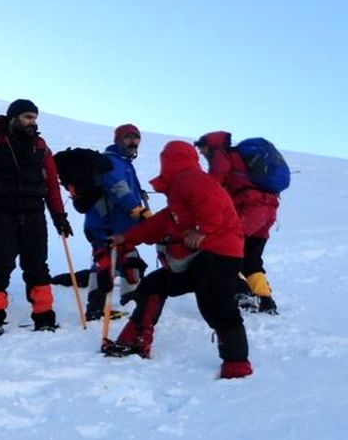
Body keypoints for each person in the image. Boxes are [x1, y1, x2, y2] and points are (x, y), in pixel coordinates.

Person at [103, 140, 253, 379]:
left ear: (170, 162)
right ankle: (136, 340)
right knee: (153, 285)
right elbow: (161, 222)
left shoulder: (194, 180)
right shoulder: (179, 191)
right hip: (199, 258)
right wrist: (125, 238)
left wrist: (202, 230)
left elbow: (211, 204)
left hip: (219, 254)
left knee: (216, 306)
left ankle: (237, 364)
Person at [0, 99, 72, 335]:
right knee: (0, 265)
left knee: (37, 266)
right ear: (13, 118)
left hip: (34, 214)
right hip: (0, 212)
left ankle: (44, 316)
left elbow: (51, 185)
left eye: (34, 118)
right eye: (27, 117)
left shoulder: (40, 146)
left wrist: (59, 216)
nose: (32, 122)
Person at [195, 131, 280, 314]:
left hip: (249, 211)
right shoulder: (240, 158)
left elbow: (214, 185)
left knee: (225, 253)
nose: (201, 153)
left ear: (210, 145)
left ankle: (242, 294)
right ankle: (266, 300)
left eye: (202, 148)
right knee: (251, 259)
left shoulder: (221, 156)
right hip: (268, 211)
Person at [81, 123, 152, 321]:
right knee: (105, 264)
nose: (133, 142)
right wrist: (138, 210)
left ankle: (130, 301)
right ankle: (96, 308)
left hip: (123, 227)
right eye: (128, 137)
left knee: (130, 261)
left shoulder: (125, 163)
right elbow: (118, 189)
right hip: (105, 225)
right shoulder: (110, 162)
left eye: (136, 138)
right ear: (118, 140)